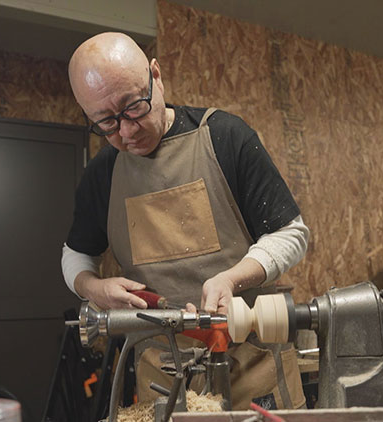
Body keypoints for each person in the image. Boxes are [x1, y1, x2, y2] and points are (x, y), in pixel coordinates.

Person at [61, 32, 310, 410]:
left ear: (156, 76)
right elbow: (75, 255)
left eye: (133, 107)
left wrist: (231, 279)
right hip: (164, 375)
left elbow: (290, 234)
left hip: (250, 362)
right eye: (107, 123)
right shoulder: (103, 174)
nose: (126, 131)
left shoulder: (225, 137)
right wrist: (93, 288)